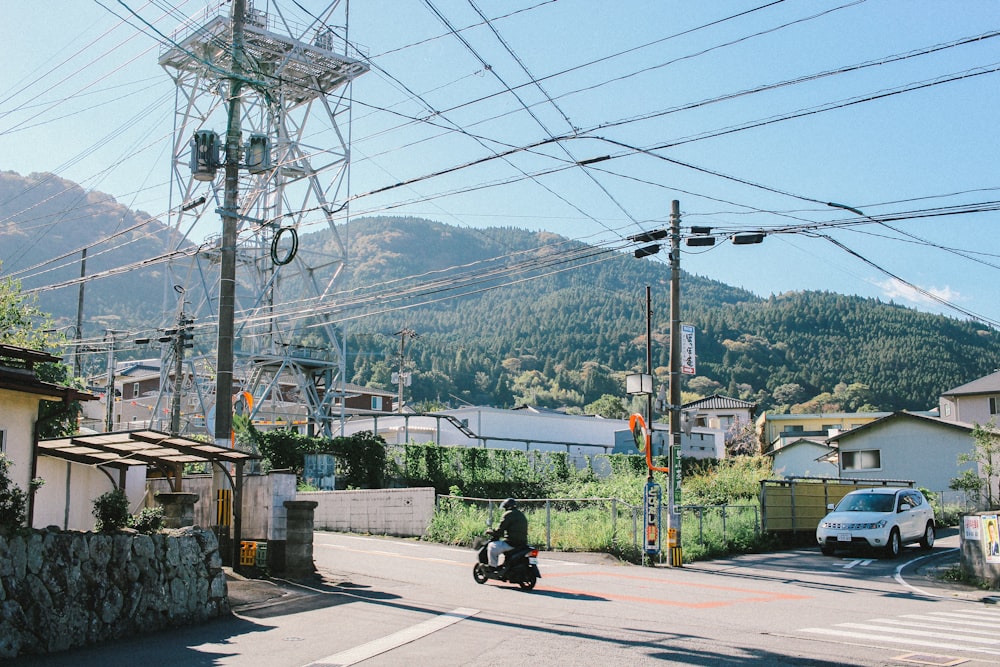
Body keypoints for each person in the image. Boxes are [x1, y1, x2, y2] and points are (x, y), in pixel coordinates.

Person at [488, 497, 528, 572]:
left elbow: (500, 530)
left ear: (506, 507)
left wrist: (491, 531)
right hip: (523, 543)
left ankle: (492, 567)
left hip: (512, 543)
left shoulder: (508, 514)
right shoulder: (521, 515)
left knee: (492, 547)